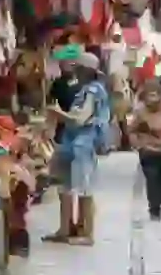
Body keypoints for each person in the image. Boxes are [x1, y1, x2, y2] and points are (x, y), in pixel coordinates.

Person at [44, 52, 111, 246]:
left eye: (79, 68)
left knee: (83, 187)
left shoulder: (93, 91)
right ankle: (65, 229)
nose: (75, 71)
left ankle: (86, 232)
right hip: (70, 142)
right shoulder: (84, 90)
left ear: (86, 71)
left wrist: (57, 113)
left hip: (83, 144)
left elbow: (81, 119)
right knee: (64, 186)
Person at [130, 79, 161, 220]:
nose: (153, 100)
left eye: (156, 96)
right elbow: (132, 129)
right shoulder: (139, 110)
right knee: (152, 178)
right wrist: (138, 145)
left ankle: (157, 201)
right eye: (149, 96)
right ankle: (154, 207)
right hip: (148, 150)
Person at [48, 57, 81, 145]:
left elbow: (51, 99)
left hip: (72, 114)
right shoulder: (59, 83)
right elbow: (52, 99)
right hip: (65, 114)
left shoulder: (80, 82)